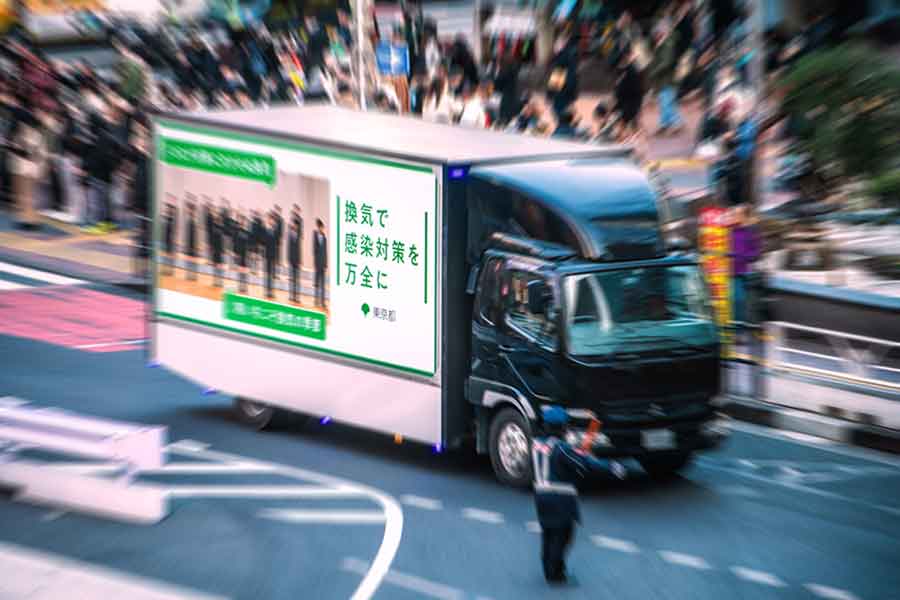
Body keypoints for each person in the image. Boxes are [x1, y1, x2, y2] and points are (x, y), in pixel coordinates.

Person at [532, 405, 626, 584]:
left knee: (548, 534)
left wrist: (578, 455)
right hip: (560, 499)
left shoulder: (536, 445)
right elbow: (583, 463)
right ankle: (555, 574)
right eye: (566, 426)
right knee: (563, 535)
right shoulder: (561, 448)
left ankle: (548, 568)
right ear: (561, 428)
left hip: (541, 497)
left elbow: (569, 461)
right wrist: (612, 467)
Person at [729, 206, 761, 335]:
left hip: (740, 273)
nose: (733, 217)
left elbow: (756, 253)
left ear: (744, 216)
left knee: (738, 301)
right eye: (732, 214)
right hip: (722, 272)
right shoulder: (726, 231)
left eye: (736, 214)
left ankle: (737, 332)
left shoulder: (751, 232)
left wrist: (742, 257)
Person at [288, 208, 303, 303]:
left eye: (296, 225)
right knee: (292, 279)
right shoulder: (290, 235)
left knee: (297, 279)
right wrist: (288, 258)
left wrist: (300, 260)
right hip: (291, 259)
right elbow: (288, 248)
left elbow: (299, 249)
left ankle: (297, 297)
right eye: (293, 224)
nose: (294, 226)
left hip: (297, 259)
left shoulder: (298, 235)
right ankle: (291, 296)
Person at [313, 218, 327, 308]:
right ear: (318, 227)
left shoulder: (325, 238)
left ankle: (323, 302)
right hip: (317, 263)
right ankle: (316, 300)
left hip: (323, 264)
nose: (322, 229)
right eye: (321, 227)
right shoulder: (315, 236)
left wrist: (326, 263)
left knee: (323, 284)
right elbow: (314, 250)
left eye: (323, 228)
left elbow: (325, 252)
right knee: (317, 283)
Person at [184, 198, 198, 281]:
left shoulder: (194, 221)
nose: (190, 212)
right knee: (189, 260)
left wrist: (195, 246)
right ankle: (189, 275)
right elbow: (187, 233)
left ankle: (193, 275)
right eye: (189, 210)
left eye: (191, 210)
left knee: (193, 260)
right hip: (189, 243)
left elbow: (195, 235)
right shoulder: (189, 221)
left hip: (193, 244)